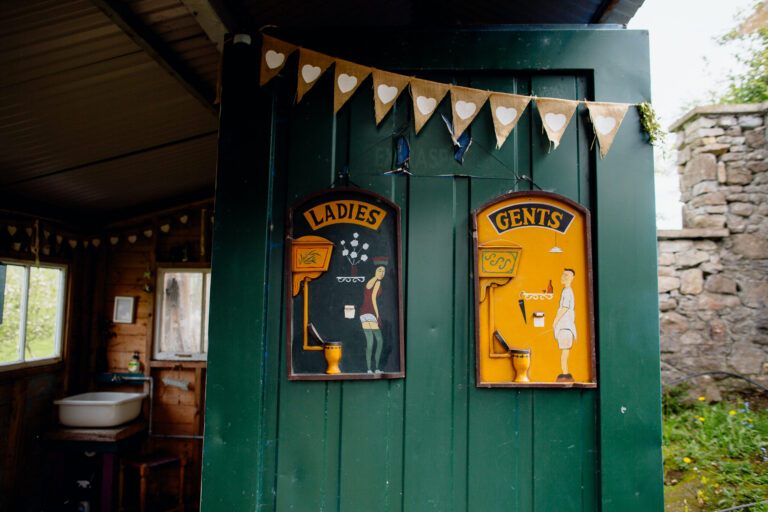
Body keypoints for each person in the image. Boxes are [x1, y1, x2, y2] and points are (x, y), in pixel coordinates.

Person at [359, 265, 386, 373]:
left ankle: (369, 369)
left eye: (383, 271)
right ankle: (377, 368)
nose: (382, 273)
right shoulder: (378, 283)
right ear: (375, 271)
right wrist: (378, 316)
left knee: (370, 342)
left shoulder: (369, 282)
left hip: (363, 314)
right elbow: (373, 299)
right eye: (380, 270)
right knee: (379, 341)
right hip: (370, 314)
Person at [552, 268, 577, 382]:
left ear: (572, 278)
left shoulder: (567, 291)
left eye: (567, 275)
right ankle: (564, 373)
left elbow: (565, 307)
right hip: (565, 326)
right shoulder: (566, 290)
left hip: (565, 326)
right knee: (565, 350)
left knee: (565, 350)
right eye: (563, 274)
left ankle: (564, 374)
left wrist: (555, 321)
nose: (563, 277)